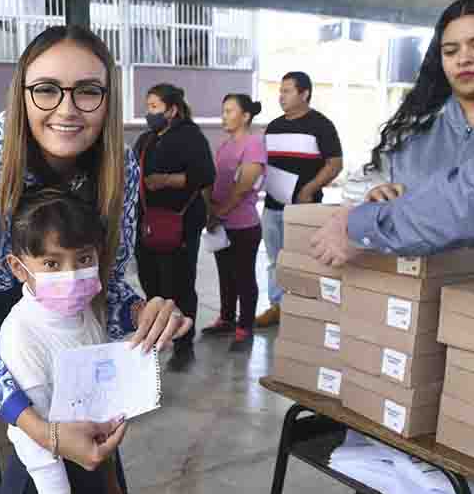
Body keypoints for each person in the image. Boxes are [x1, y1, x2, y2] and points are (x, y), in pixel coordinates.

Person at [0, 25, 190, 494]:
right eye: (46, 89)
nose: (67, 109)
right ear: (22, 94)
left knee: (85, 414)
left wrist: (142, 312)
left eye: (87, 90)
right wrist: (38, 426)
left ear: (107, 99)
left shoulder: (121, 167)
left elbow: (105, 284)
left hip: (44, 287)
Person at [309, 0, 474, 494]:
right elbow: (403, 197)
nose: (465, 60)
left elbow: (461, 206)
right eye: (451, 49)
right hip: (423, 299)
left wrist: (368, 221)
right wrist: (382, 200)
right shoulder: (424, 128)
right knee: (415, 424)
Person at [0, 190, 133, 494]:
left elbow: (99, 410)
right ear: (19, 267)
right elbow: (38, 449)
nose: (71, 275)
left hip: (89, 475)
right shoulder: (23, 335)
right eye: (52, 264)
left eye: (83, 258)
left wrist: (112, 484)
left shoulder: (88, 314)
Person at [132, 84, 215, 365]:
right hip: (148, 222)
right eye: (148, 107)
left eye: (154, 107)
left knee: (178, 281)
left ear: (172, 109)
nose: (149, 113)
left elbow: (204, 175)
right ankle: (157, 334)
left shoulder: (190, 137)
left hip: (180, 221)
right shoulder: (146, 139)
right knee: (151, 280)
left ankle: (183, 343)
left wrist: (165, 180)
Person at [255, 71, 343, 328]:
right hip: (272, 206)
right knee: (276, 259)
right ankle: (277, 306)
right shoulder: (273, 127)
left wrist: (309, 189)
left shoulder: (321, 125)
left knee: (304, 260)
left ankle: (305, 307)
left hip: (305, 207)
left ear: (304, 94)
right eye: (280, 91)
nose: (281, 96)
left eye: (287, 91)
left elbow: (335, 164)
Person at [203, 94, 266, 351]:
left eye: (230, 111)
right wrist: (210, 211)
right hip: (221, 224)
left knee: (243, 277)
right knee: (225, 275)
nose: (224, 116)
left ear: (246, 116)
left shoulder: (253, 144)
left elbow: (243, 187)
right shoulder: (224, 145)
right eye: (223, 111)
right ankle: (226, 319)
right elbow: (214, 183)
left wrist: (219, 213)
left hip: (243, 226)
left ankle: (245, 326)